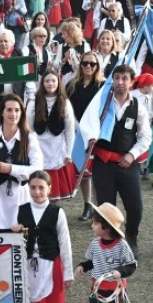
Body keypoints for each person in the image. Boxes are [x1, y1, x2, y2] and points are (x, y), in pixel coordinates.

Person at [80, 65, 151, 258]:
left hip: (127, 164)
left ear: (131, 81)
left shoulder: (138, 105)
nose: (120, 82)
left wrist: (132, 155)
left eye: (124, 78)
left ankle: (131, 237)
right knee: (105, 208)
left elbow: (145, 136)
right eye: (117, 78)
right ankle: (109, 245)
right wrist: (90, 138)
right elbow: (87, 123)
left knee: (135, 207)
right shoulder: (101, 102)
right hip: (104, 164)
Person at [11, 171, 73, 303]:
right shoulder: (21, 210)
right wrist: (14, 231)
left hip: (50, 266)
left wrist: (68, 272)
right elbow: (11, 240)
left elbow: (65, 243)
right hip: (27, 267)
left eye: (41, 188)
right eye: (33, 187)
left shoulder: (57, 212)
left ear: (49, 189)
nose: (37, 192)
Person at [0, 94, 43, 231]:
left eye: (17, 110)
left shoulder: (30, 139)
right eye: (9, 110)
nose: (13, 114)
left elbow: (37, 169)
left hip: (21, 197)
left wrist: (9, 169)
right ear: (2, 113)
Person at [26, 72, 77, 201]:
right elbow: (29, 129)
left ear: (58, 83)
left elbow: (70, 130)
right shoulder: (34, 102)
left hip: (57, 146)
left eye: (53, 81)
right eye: (47, 81)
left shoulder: (65, 102)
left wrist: (69, 153)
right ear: (42, 84)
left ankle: (52, 210)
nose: (50, 84)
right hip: (39, 145)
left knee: (53, 186)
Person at [68, 51, 104, 220]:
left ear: (97, 66)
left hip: (95, 135)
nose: (88, 66)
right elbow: (66, 108)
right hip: (76, 133)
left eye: (92, 64)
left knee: (97, 173)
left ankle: (98, 209)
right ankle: (87, 205)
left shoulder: (103, 86)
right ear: (80, 65)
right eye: (85, 63)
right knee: (82, 173)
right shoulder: (72, 84)